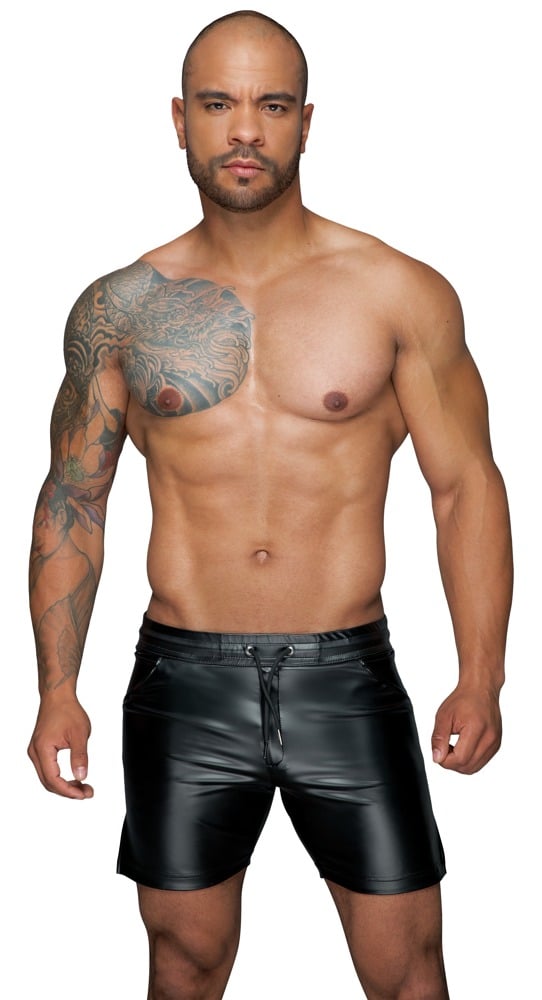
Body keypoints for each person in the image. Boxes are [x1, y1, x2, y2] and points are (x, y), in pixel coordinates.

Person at [27, 9, 513, 999]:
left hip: (345, 677)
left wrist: (480, 674)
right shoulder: (120, 309)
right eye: (217, 103)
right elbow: (75, 497)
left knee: (408, 970)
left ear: (305, 122)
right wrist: (54, 688)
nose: (244, 128)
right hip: (183, 681)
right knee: (184, 963)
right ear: (179, 120)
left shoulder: (395, 290)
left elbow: (464, 486)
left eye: (271, 105)